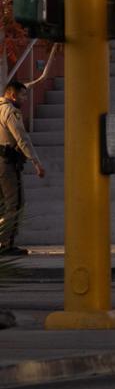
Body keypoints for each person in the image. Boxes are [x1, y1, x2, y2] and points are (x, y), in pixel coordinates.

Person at [0, 81, 46, 257]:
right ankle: (6, 245)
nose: (25, 99)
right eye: (22, 95)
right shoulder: (10, 111)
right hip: (7, 164)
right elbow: (22, 138)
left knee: (3, 204)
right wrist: (36, 162)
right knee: (15, 203)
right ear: (12, 95)